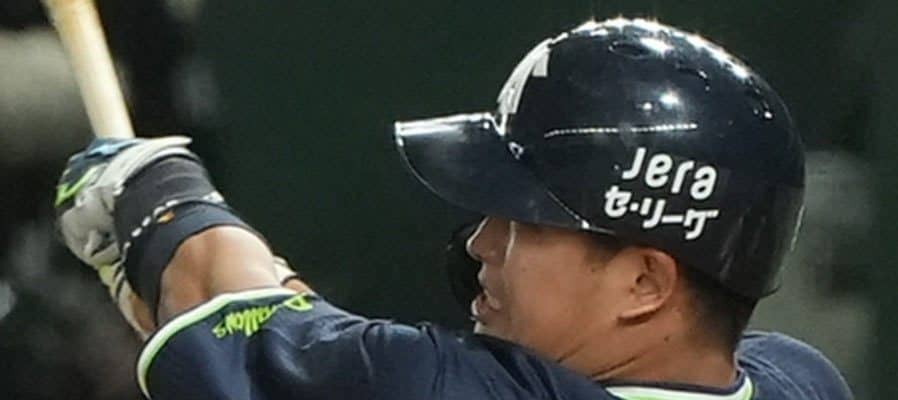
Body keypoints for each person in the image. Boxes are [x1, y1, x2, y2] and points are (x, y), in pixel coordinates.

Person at [54, 18, 853, 399]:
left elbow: (223, 298)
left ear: (645, 282)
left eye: (526, 222)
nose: (481, 243)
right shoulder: (804, 382)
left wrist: (156, 197)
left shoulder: (448, 390)